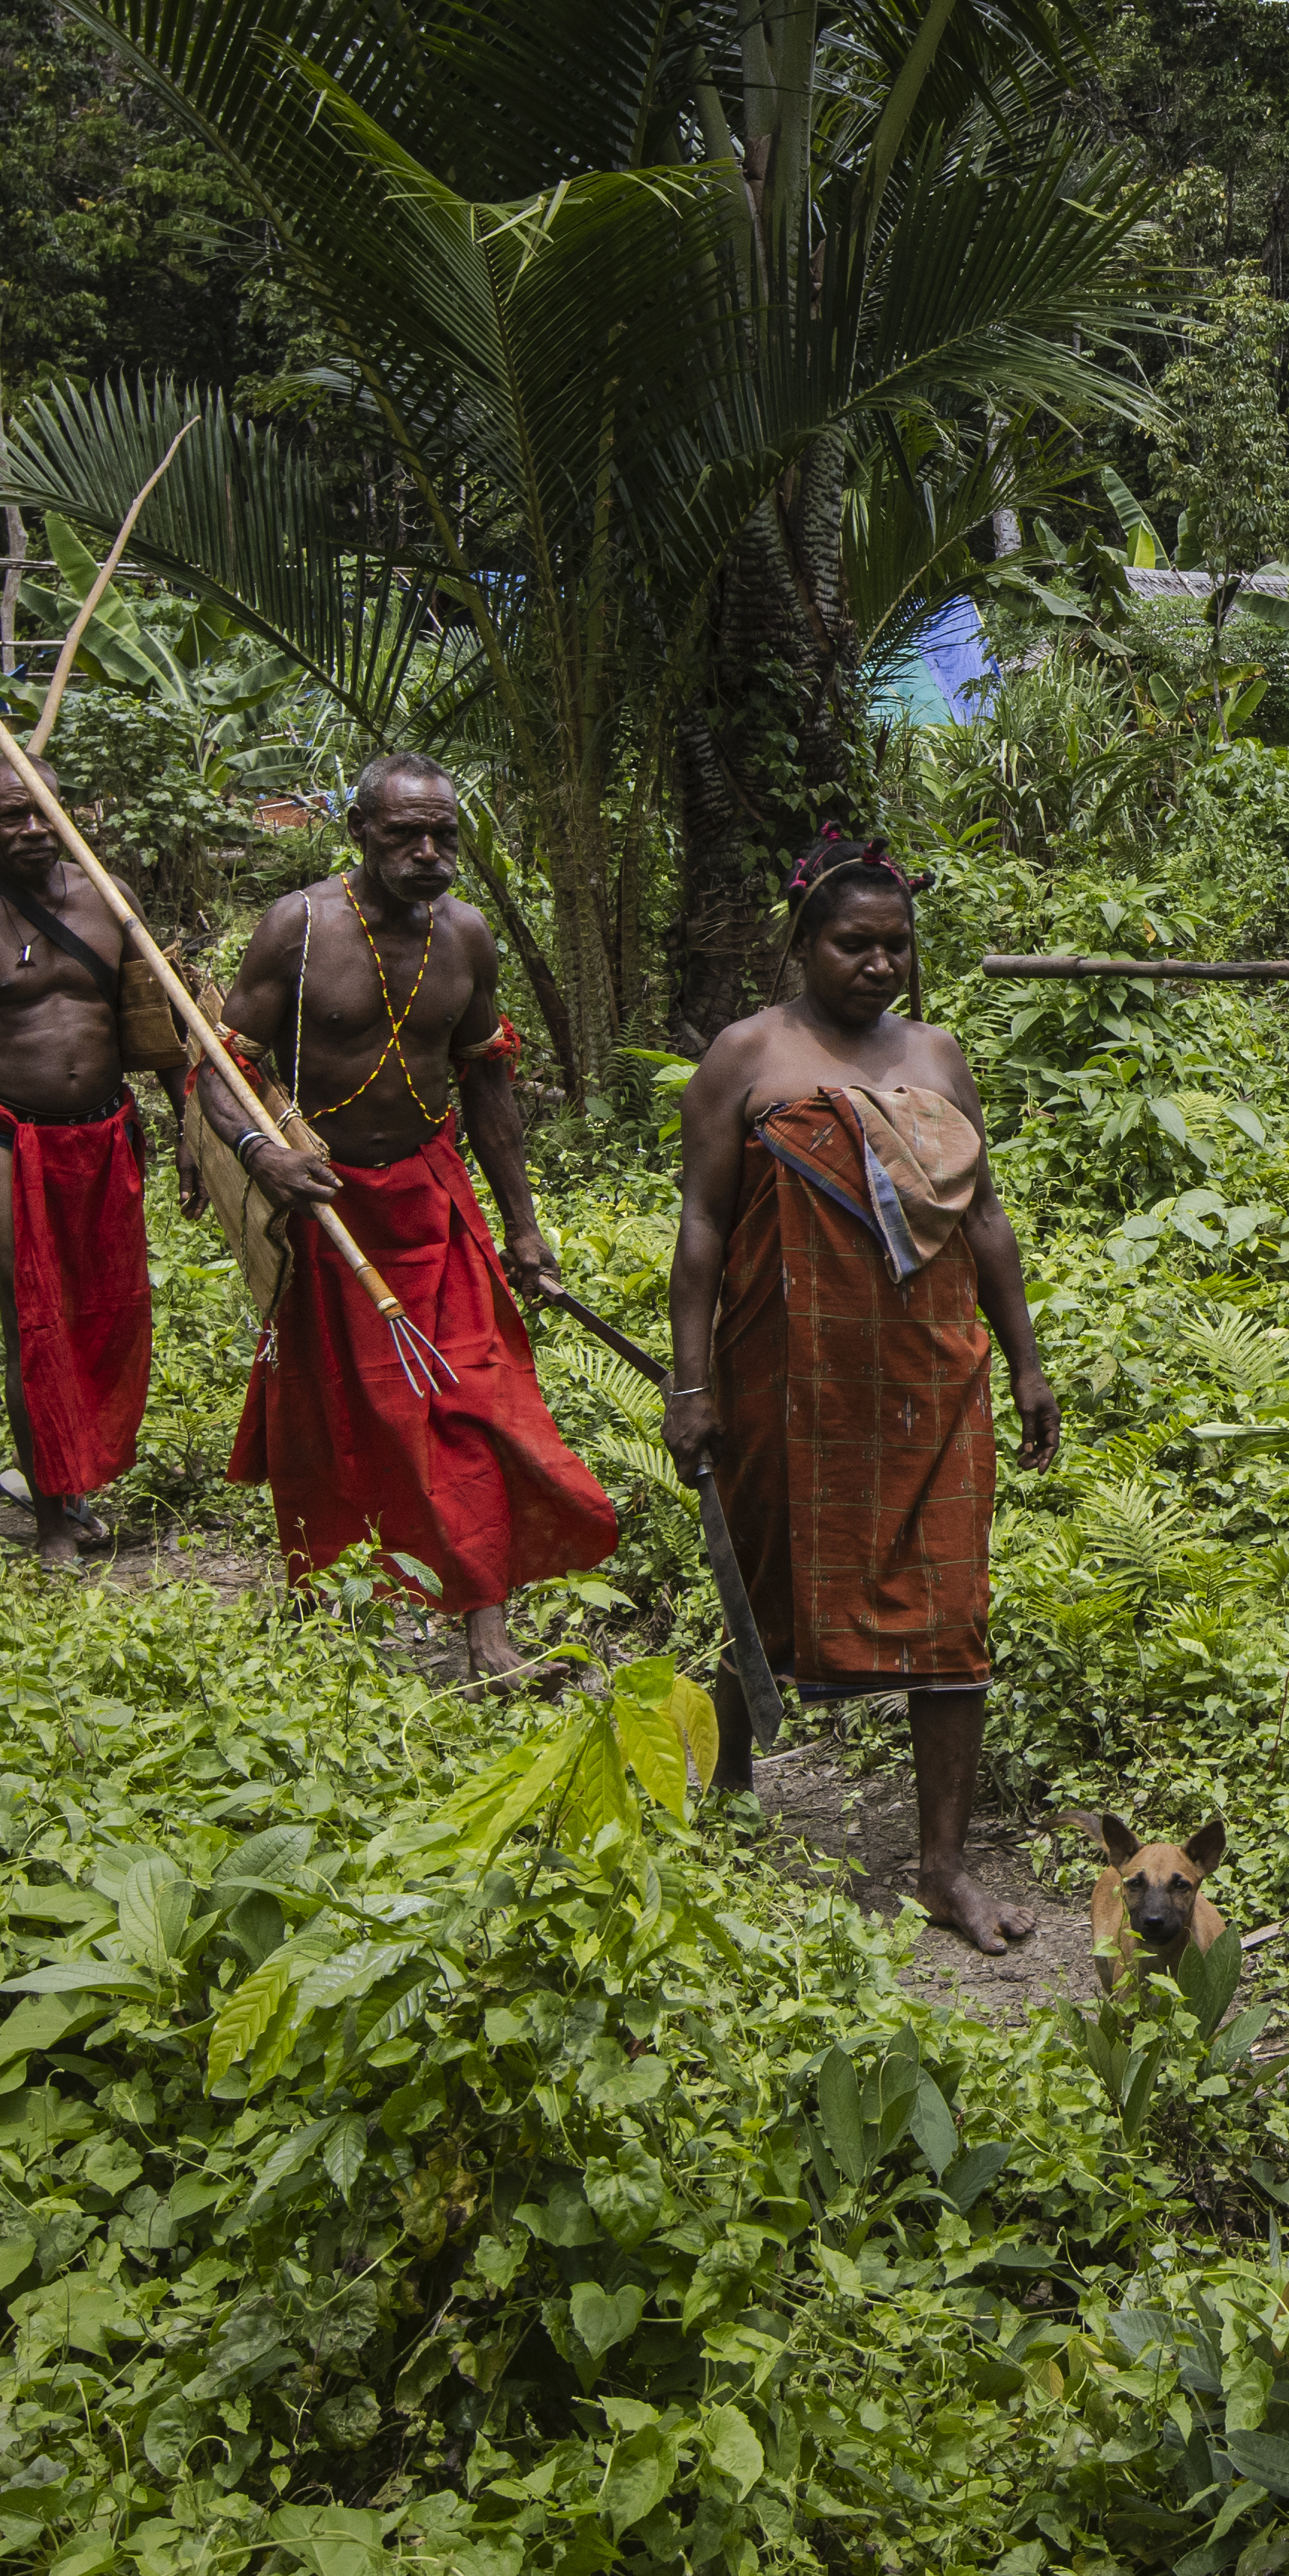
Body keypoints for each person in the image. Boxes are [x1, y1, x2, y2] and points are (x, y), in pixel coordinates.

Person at [663, 833, 1061, 1953]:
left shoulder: (937, 1054)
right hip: (783, 1378)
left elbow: (983, 1218)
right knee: (768, 1576)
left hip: (927, 1375)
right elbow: (700, 1229)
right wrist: (690, 1383)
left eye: (896, 945)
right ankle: (733, 1781)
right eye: (855, 943)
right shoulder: (746, 1057)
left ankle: (942, 1864)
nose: (880, 963)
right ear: (804, 941)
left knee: (954, 1611)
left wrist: (1024, 1357)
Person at [210, 756, 621, 1679]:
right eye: (405, 835)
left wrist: (522, 1225)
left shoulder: (466, 934)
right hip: (327, 1204)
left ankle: (486, 1631)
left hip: (434, 1199)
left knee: (477, 1403)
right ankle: (326, 1604)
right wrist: (260, 1153)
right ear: (359, 831)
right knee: (343, 1408)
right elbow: (218, 1066)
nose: (429, 852)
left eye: (444, 835)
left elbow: (488, 1085)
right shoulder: (300, 928)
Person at [0, 753, 181, 1570]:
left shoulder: (110, 901)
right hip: (2, 1129)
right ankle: (51, 1523)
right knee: (31, 1315)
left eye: (43, 812)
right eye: (11, 815)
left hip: (104, 1129)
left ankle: (74, 1477)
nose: (31, 829)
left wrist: (194, 1133)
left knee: (105, 1306)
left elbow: (159, 1028)